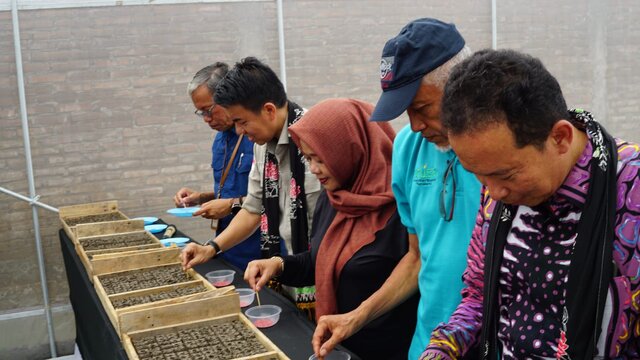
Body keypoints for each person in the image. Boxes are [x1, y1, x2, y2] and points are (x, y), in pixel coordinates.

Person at [420, 49, 640, 359]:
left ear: (560, 138)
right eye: (479, 178)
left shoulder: (630, 188)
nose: (494, 193)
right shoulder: (499, 185)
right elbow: (479, 293)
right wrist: (442, 348)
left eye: (505, 175)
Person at [311, 18, 482, 360]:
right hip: (428, 344)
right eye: (407, 113)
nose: (416, 126)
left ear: (462, 88)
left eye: (421, 108)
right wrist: (357, 316)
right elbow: (417, 258)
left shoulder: (505, 155)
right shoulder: (407, 148)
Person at [244, 98, 420, 359]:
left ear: (351, 150)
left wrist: (357, 317)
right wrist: (279, 265)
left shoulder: (400, 205)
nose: (314, 170)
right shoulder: (334, 197)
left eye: (321, 159)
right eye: (308, 158)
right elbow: (322, 260)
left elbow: (416, 271)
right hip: (337, 345)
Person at [180, 57, 321, 311]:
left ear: (268, 110)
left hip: (325, 275)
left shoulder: (314, 137)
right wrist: (211, 248)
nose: (239, 132)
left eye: (242, 122)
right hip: (289, 271)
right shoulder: (263, 147)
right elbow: (254, 208)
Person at [172, 63, 261, 271]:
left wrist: (231, 205)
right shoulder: (220, 139)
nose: (206, 119)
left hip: (259, 249)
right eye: (200, 112)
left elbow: (274, 194)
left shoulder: (257, 136)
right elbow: (234, 188)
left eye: (209, 110)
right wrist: (202, 197)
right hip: (225, 245)